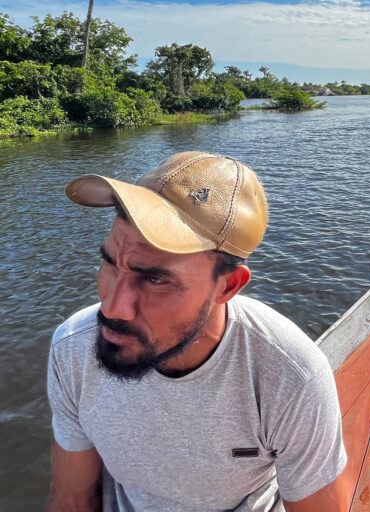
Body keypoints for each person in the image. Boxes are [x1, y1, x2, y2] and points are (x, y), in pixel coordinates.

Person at [46, 152, 348, 512]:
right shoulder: (73, 349)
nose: (112, 307)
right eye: (111, 264)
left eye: (155, 279)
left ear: (228, 287)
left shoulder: (290, 376)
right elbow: (73, 497)